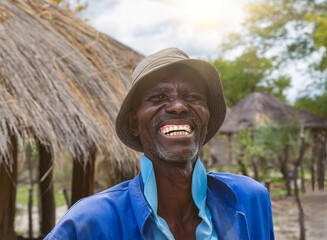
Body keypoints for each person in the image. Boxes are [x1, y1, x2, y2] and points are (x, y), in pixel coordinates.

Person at [44, 48, 274, 240]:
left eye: (193, 97)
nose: (178, 106)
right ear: (134, 123)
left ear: (206, 118)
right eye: (158, 98)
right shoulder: (92, 221)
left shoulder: (249, 199)